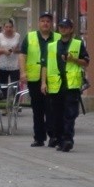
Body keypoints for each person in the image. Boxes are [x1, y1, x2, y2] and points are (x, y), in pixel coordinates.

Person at [41, 18, 89, 152]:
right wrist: (43, 83)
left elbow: (86, 62)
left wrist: (73, 59)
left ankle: (68, 140)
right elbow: (45, 65)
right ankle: (59, 139)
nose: (63, 29)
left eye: (66, 27)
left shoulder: (78, 44)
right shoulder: (51, 46)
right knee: (57, 115)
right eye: (61, 27)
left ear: (71, 29)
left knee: (70, 114)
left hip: (71, 85)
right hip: (55, 85)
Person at [19, 11, 60, 147]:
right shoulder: (30, 37)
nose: (45, 23)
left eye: (48, 21)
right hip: (34, 78)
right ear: (39, 23)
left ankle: (53, 136)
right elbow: (22, 55)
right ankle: (39, 137)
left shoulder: (58, 38)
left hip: (52, 78)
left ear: (51, 23)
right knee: (37, 109)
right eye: (43, 21)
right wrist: (23, 72)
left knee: (51, 108)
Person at [0, 18, 21, 87]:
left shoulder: (17, 36)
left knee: (15, 85)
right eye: (7, 27)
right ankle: (4, 97)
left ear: (13, 27)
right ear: (3, 27)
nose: (8, 29)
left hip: (15, 65)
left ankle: (14, 97)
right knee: (3, 85)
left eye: (10, 27)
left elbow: (21, 49)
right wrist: (3, 51)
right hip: (2, 64)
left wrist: (15, 50)